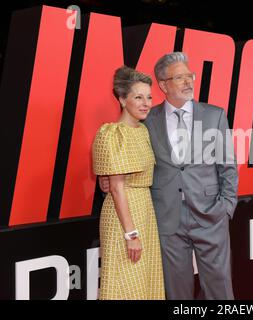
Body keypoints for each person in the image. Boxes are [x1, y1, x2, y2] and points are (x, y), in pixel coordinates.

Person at [100, 52, 238, 299]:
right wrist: (108, 178)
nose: (188, 82)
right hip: (166, 219)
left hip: (210, 215)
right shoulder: (147, 119)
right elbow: (134, 161)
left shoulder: (214, 114)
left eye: (190, 76)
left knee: (220, 289)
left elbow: (228, 164)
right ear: (163, 85)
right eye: (179, 77)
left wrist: (226, 206)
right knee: (177, 292)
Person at [92, 66, 165, 300]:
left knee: (144, 282)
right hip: (123, 217)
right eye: (138, 97)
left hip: (144, 210)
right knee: (123, 284)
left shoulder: (142, 131)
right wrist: (131, 235)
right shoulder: (112, 133)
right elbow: (116, 186)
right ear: (123, 100)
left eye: (149, 97)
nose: (146, 103)